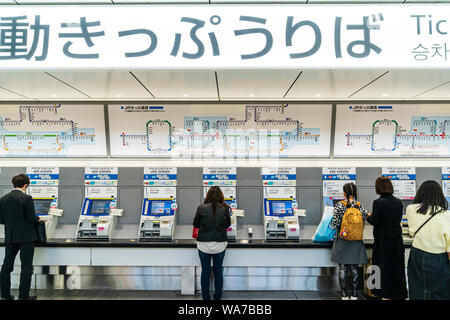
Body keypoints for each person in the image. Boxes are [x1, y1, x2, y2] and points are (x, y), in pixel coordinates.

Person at [406, 180, 450, 300]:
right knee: (441, 293)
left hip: (417, 255)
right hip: (440, 259)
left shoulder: (411, 210)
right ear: (439, 195)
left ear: (420, 193)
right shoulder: (447, 215)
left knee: (418, 291)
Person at [366, 176, 407, 300]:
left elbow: (376, 221)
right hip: (397, 242)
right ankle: (397, 295)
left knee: (382, 271)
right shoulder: (399, 202)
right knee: (396, 270)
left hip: (382, 242)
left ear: (378, 188)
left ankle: (384, 296)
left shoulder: (378, 202)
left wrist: (368, 216)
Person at [0, 174, 40, 300]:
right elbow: (32, 218)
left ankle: (5, 294)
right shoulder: (26, 198)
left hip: (10, 237)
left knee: (7, 266)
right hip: (26, 238)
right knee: (26, 267)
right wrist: (38, 218)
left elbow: (1, 220)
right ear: (25, 185)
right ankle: (23, 296)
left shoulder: (3, 199)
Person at [330, 182, 368, 300]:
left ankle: (344, 295)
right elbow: (364, 221)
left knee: (343, 268)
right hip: (356, 240)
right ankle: (355, 295)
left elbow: (334, 224)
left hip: (342, 239)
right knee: (354, 268)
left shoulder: (340, 206)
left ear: (344, 193)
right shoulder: (360, 206)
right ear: (355, 193)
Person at [193, 186, 231, 300]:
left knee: (205, 272)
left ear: (208, 195)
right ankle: (217, 297)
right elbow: (228, 224)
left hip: (204, 245)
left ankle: (206, 298)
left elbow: (196, 224)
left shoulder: (201, 208)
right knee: (218, 271)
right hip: (220, 244)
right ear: (221, 196)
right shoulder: (225, 208)